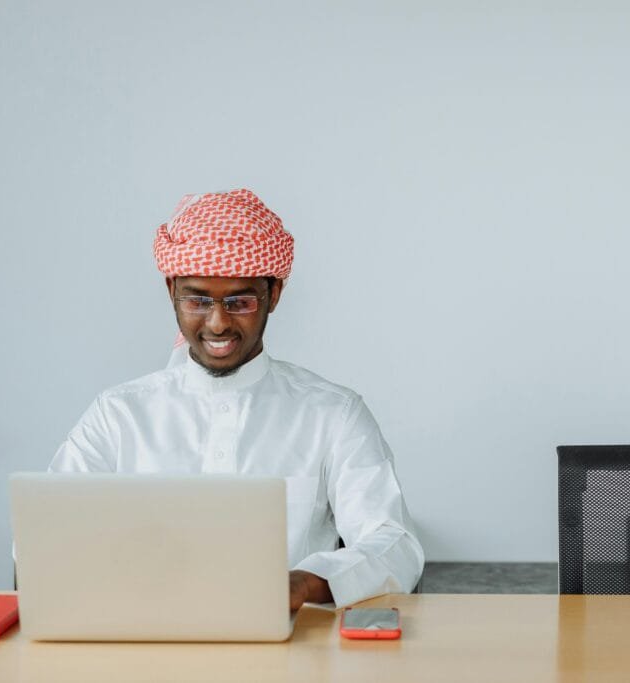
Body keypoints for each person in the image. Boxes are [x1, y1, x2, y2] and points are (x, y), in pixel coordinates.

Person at [49, 188, 424, 609]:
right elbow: (45, 539)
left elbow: (395, 545)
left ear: (274, 294)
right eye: (197, 299)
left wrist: (302, 583)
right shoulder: (118, 415)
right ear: (171, 290)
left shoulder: (333, 414)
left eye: (240, 301)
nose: (218, 322)